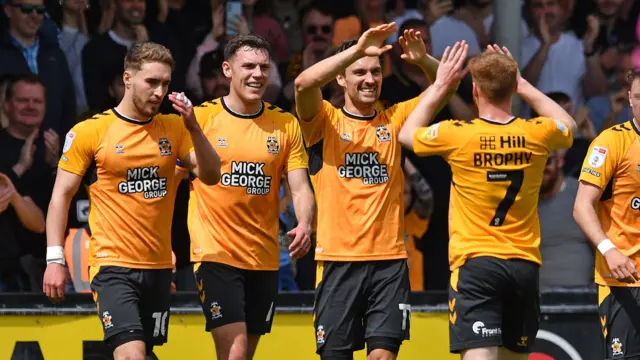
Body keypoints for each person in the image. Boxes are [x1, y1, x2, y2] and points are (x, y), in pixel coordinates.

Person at [42, 42, 222, 360]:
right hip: (112, 267)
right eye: (151, 82)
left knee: (145, 352)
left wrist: (194, 127)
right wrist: (55, 259)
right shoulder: (91, 131)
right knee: (131, 355)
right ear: (127, 79)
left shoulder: (175, 128)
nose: (159, 91)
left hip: (159, 269)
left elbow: (210, 175)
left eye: (165, 83)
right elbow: (61, 196)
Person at [397, 44, 577, 360]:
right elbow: (569, 125)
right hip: (523, 264)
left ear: (476, 90)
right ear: (512, 89)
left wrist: (441, 85)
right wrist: (523, 84)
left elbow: (407, 134)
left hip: (477, 262)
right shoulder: (536, 133)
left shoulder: (459, 134)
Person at [294, 22, 457, 359]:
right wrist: (357, 49)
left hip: (389, 263)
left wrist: (424, 59)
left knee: (383, 356)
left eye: (375, 71)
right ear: (341, 77)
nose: (370, 79)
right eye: (359, 72)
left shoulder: (394, 120)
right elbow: (303, 82)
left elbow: (448, 83)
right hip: (338, 261)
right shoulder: (323, 121)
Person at [188, 33, 315, 360]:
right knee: (236, 350)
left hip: (264, 258)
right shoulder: (200, 119)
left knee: (243, 354)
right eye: (249, 66)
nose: (257, 74)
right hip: (216, 255)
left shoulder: (285, 124)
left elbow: (299, 186)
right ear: (228, 70)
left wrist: (304, 223)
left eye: (264, 67)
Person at [573, 69, 640, 360]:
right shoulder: (611, 142)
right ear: (629, 99)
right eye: (639, 97)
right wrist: (608, 249)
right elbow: (581, 206)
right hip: (624, 279)